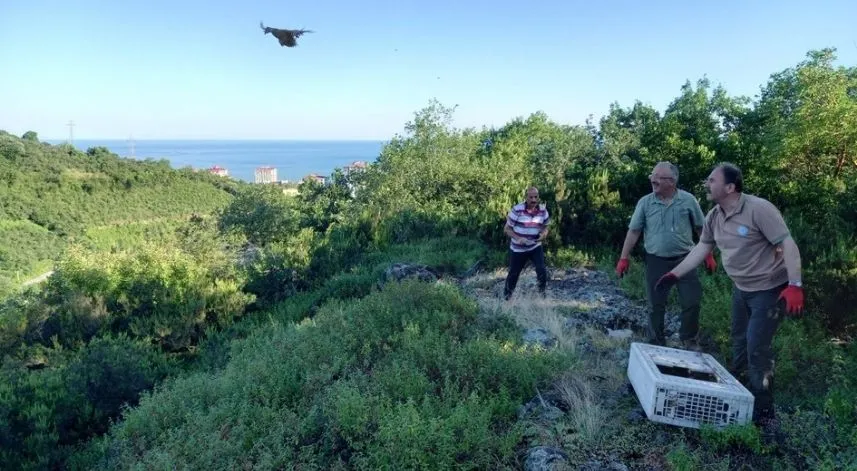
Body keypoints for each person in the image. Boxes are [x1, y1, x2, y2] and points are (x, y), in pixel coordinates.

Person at [654, 162, 805, 427]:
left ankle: (766, 417)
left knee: (757, 348)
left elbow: (787, 243)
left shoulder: (759, 209)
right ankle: (741, 399)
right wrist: (674, 274)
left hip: (769, 291)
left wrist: (795, 285)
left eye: (712, 180)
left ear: (730, 187)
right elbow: (702, 247)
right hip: (741, 290)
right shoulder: (715, 215)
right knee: (739, 344)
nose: (707, 184)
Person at [615, 162, 717, 349]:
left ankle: (689, 340)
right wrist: (624, 258)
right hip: (656, 260)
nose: (653, 180)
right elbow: (634, 232)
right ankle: (656, 342)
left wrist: (708, 254)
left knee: (691, 302)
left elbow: (701, 228)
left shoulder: (688, 200)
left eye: (658, 177)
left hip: (686, 259)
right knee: (655, 305)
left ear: (672, 181)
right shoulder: (645, 202)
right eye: (652, 175)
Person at [503, 186, 550, 300]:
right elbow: (506, 229)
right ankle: (506, 299)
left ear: (538, 197)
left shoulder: (543, 210)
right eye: (531, 197)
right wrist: (518, 238)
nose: (533, 200)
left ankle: (542, 296)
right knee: (514, 274)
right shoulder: (517, 210)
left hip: (535, 246)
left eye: (536, 197)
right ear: (526, 197)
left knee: (542, 270)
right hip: (518, 248)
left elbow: (546, 226)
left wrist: (543, 234)